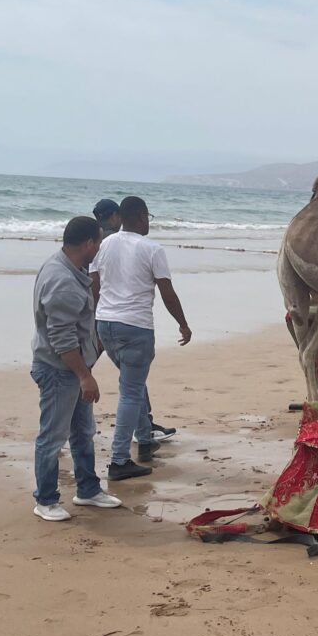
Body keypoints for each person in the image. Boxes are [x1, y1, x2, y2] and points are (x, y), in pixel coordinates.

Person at [91, 196, 191, 480]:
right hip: (135, 326)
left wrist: (94, 323)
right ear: (140, 217)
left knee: (131, 384)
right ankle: (119, 460)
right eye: (148, 217)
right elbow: (167, 292)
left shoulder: (103, 244)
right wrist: (183, 324)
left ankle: (145, 440)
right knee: (130, 392)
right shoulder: (152, 249)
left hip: (106, 324)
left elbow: (94, 286)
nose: (149, 222)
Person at [31, 216, 121, 521]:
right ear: (88, 244)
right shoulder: (62, 280)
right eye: (99, 241)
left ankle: (88, 489)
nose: (100, 247)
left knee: (83, 431)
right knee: (53, 436)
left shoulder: (72, 268)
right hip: (59, 370)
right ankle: (45, 500)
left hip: (73, 367)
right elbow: (61, 338)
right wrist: (84, 375)